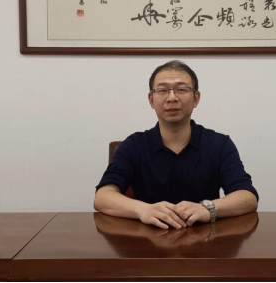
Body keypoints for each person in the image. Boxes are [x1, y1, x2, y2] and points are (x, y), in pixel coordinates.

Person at [94, 60, 258, 230]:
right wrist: (143, 210)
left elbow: (247, 197)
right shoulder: (134, 145)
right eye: (162, 90)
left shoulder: (219, 144)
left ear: (196, 98)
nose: (172, 98)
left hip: (205, 241)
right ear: (151, 100)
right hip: (147, 240)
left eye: (181, 89)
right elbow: (102, 197)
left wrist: (207, 208)